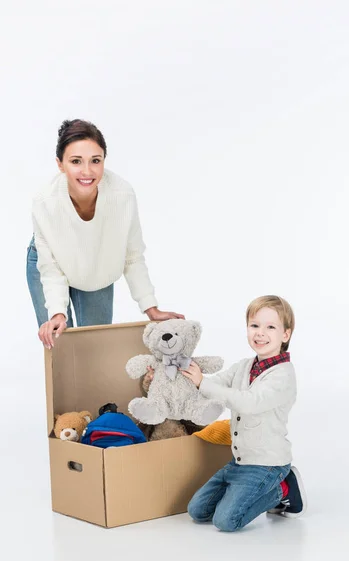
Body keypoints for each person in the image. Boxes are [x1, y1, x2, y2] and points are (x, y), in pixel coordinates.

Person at [27, 119, 184, 349]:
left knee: (95, 349)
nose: (87, 171)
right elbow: (51, 268)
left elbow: (132, 257)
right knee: (59, 344)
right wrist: (58, 313)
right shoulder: (44, 202)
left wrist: (150, 307)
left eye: (95, 161)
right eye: (76, 161)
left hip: (96, 264)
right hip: (51, 261)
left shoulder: (122, 195)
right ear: (60, 164)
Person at [181, 295, 307, 532]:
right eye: (255, 325)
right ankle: (242, 491)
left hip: (267, 462)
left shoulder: (283, 376)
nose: (260, 333)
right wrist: (184, 377)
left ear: (286, 335)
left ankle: (284, 488)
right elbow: (213, 383)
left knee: (226, 521)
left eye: (271, 327)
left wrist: (203, 385)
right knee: (197, 511)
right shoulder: (244, 366)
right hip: (240, 461)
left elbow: (249, 402)